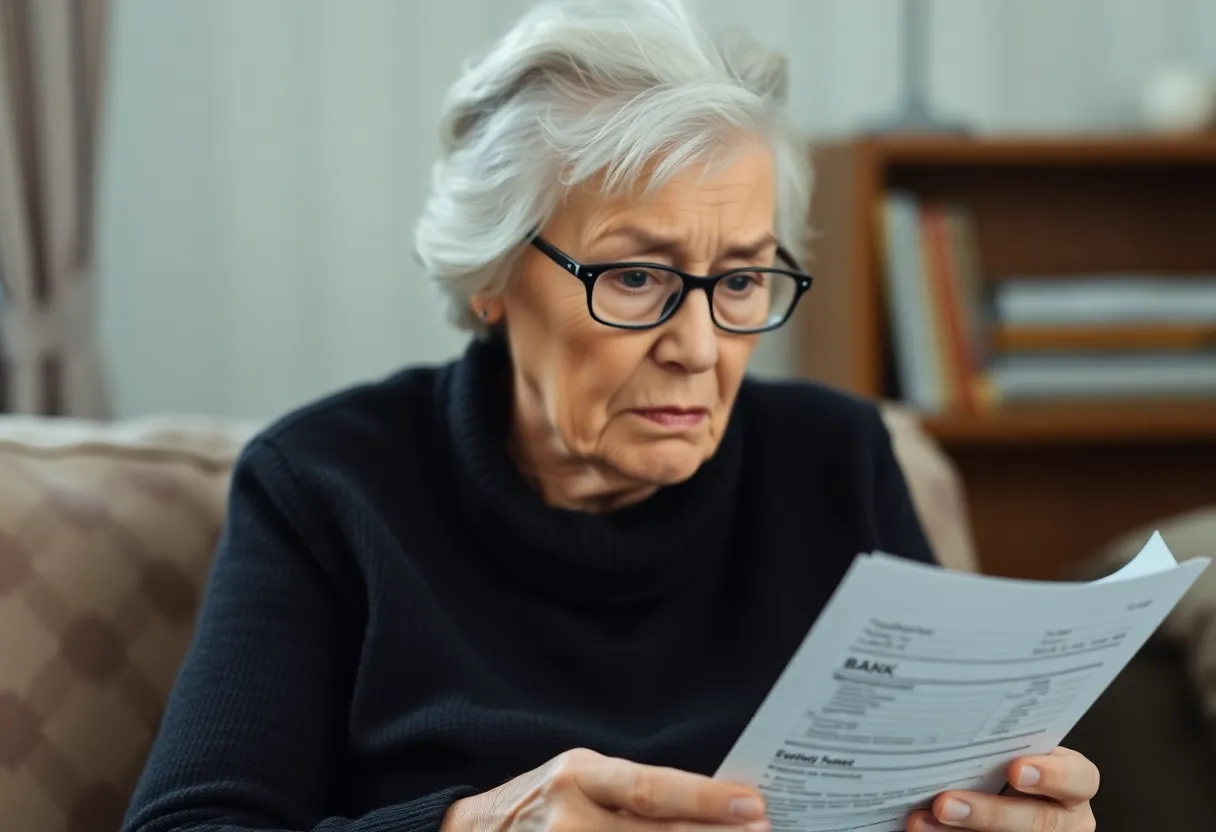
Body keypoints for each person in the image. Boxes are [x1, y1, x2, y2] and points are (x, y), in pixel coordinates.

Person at [123, 1, 1100, 831]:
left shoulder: (838, 458)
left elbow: (949, 786)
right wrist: (473, 827)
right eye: (636, 276)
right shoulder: (327, 484)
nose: (699, 347)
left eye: (741, 278)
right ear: (493, 274)